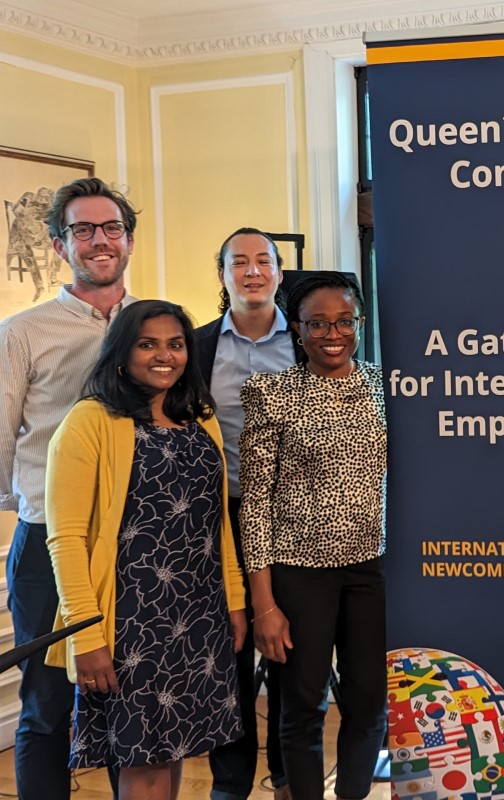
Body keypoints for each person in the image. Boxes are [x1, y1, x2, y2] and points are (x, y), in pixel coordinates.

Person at [43, 299, 248, 800]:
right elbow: (65, 538)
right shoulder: (89, 421)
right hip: (131, 621)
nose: (165, 355)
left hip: (199, 614)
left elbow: (217, 521)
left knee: (173, 750)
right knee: (145, 764)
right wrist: (85, 636)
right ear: (122, 353)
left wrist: (236, 600)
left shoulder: (200, 419)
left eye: (176, 344)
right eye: (148, 344)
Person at [0, 176, 139, 800]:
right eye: (83, 230)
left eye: (110, 228)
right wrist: (32, 502)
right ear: (60, 245)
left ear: (128, 240)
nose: (99, 241)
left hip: (135, 548)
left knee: (130, 709)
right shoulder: (24, 332)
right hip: (47, 549)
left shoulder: (151, 326)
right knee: (48, 708)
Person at [238, 271, 387, 800]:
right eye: (318, 323)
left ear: (359, 324)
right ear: (297, 330)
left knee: (369, 702)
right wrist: (263, 604)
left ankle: (352, 794)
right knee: (303, 703)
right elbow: (253, 503)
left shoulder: (384, 387)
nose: (333, 333)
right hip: (298, 573)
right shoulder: (271, 393)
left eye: (345, 321)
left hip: (370, 567)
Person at [195, 227, 296, 800]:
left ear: (280, 273)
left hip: (295, 515)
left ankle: (287, 775)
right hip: (221, 518)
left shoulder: (308, 342)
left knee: (291, 649)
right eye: (240, 262)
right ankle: (230, 783)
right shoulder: (198, 346)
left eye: (264, 261)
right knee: (228, 651)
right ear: (223, 275)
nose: (253, 271)